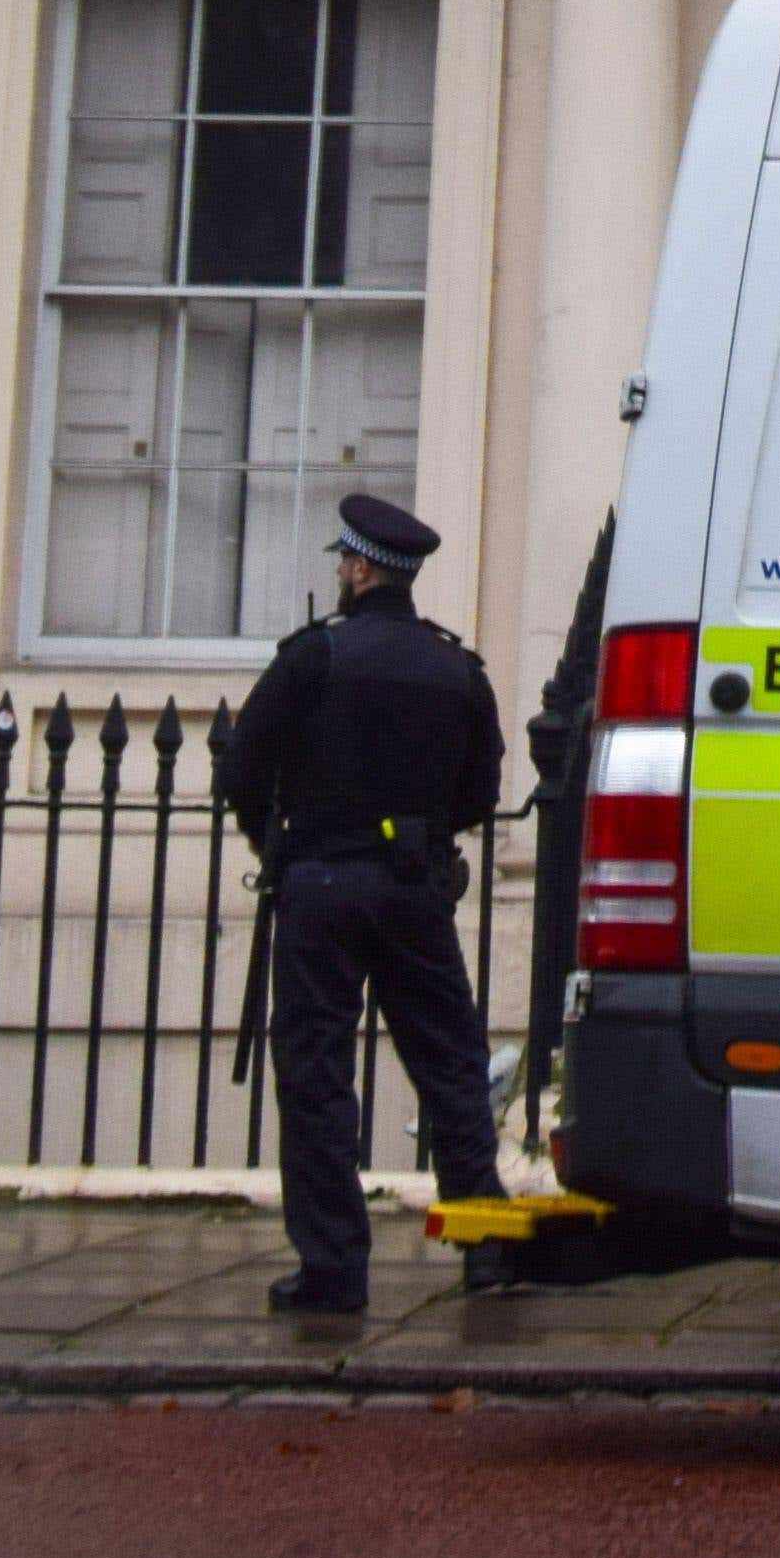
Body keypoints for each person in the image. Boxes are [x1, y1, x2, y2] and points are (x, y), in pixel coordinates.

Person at [215, 491, 508, 1315]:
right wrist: (421, 835)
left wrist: (273, 841)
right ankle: (486, 1246)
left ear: (360, 568)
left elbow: (240, 768)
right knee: (451, 1066)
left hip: (319, 884)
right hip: (414, 887)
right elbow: (480, 791)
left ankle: (334, 1266)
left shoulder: (314, 657)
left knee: (317, 1075)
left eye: (345, 560)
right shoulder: (457, 668)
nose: (342, 571)